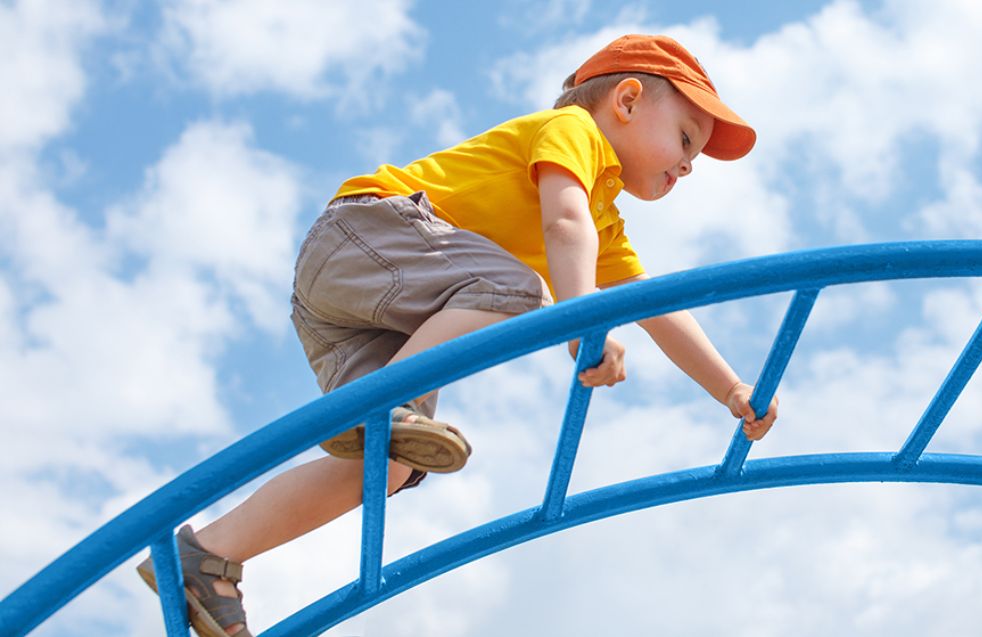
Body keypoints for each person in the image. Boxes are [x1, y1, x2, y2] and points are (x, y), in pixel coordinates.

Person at [136, 34, 779, 636]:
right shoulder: (574, 133)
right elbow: (562, 225)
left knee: (387, 462)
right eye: (687, 139)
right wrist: (583, 319)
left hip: (362, 307)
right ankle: (394, 403)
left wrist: (730, 388)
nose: (689, 166)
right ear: (629, 100)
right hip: (366, 238)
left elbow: (656, 307)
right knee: (523, 291)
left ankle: (208, 556)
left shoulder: (604, 223)